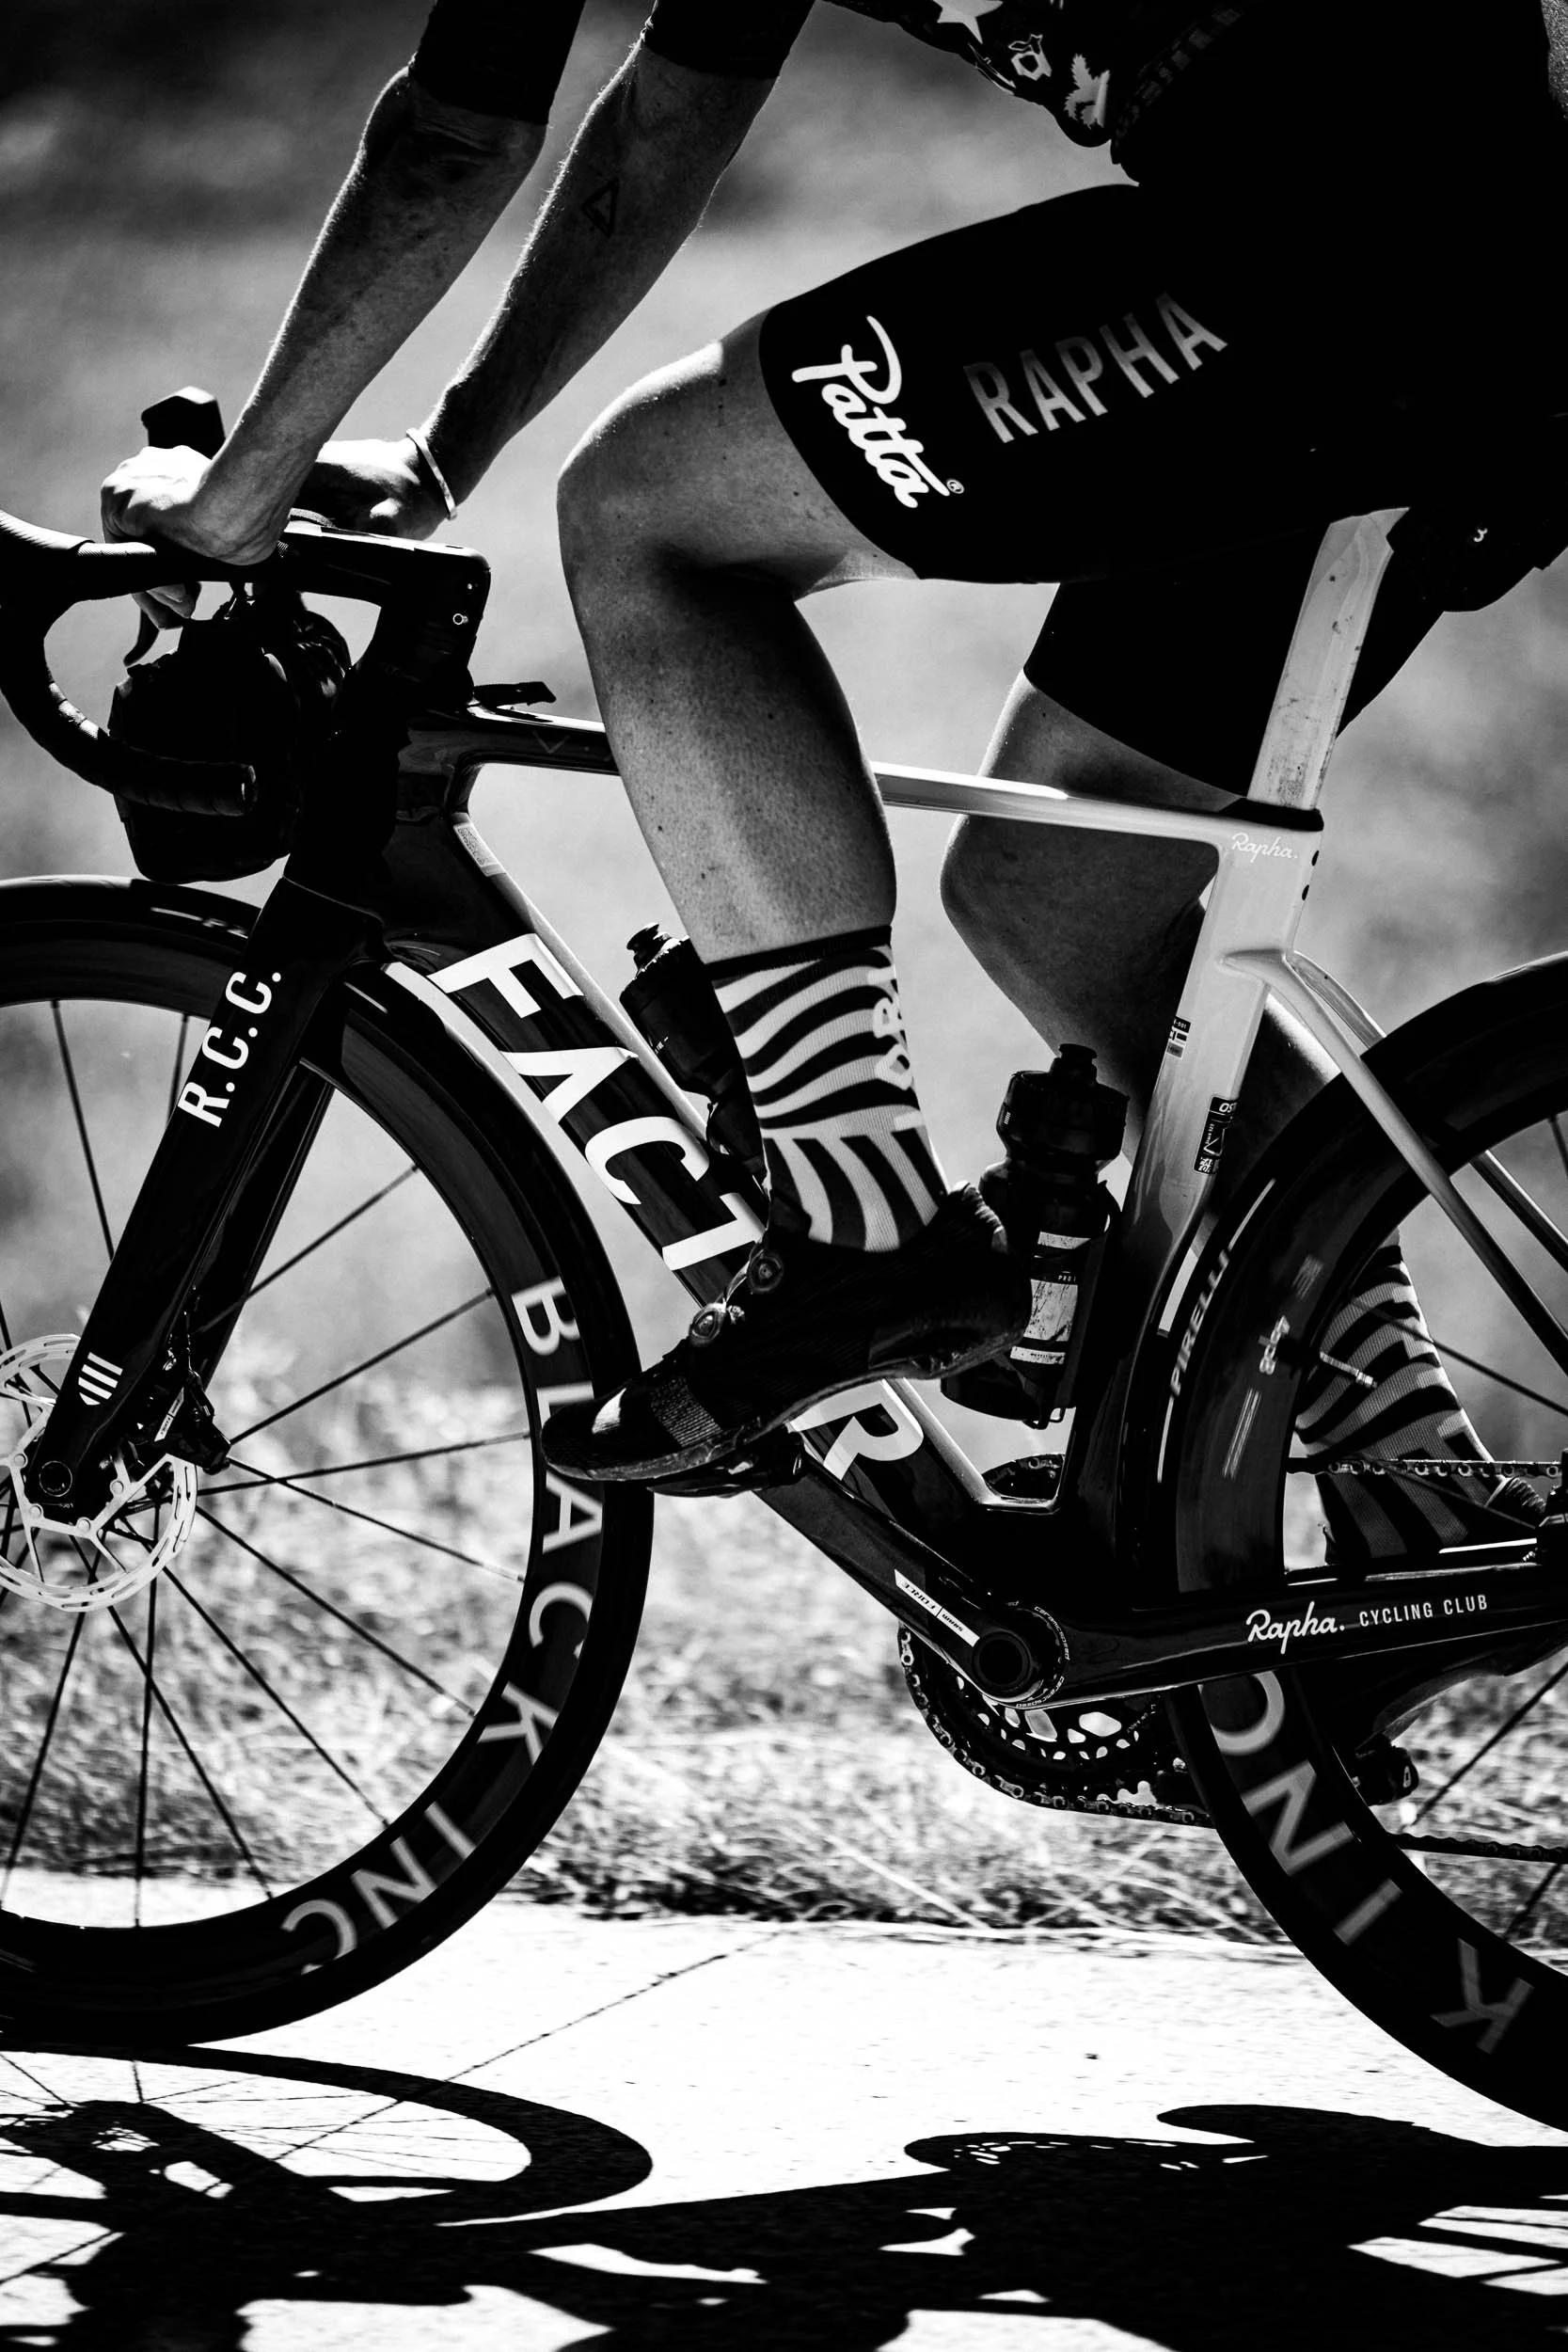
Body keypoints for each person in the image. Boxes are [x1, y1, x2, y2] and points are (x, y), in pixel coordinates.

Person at [103, 1, 1568, 1543]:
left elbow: (454, 138)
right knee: (1063, 893)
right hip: (1461, 262)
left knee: (648, 509)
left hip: (1339, 245)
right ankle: (1426, 1494)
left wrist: (230, 501)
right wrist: (441, 455)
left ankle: (857, 1224)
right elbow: (664, 115)